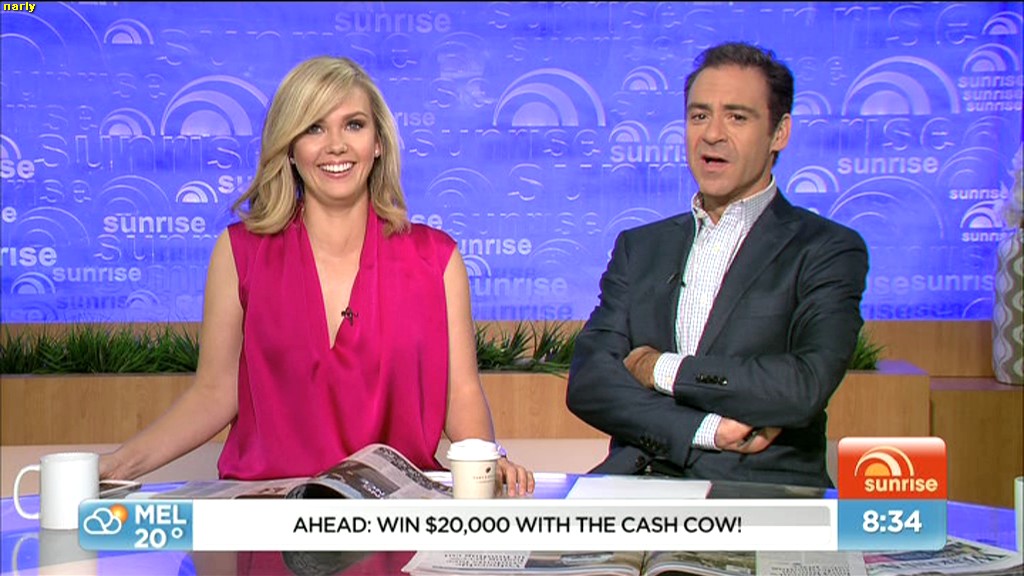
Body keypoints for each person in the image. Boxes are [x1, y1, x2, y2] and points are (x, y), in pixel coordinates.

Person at [101, 56, 534, 496]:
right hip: (268, 516)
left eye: (354, 125)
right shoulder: (240, 253)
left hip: (393, 516)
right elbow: (214, 393)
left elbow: (460, 394)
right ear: (290, 148)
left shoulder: (435, 260)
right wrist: (116, 466)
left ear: (378, 143)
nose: (336, 145)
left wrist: (488, 463)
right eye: (314, 128)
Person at [566, 42, 869, 488]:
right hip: (639, 487)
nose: (712, 134)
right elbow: (591, 382)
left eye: (737, 117)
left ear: (779, 133)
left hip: (760, 492)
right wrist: (704, 430)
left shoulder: (825, 249)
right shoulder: (640, 247)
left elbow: (801, 386)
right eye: (699, 115)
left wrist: (659, 368)